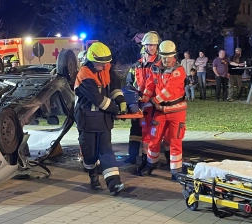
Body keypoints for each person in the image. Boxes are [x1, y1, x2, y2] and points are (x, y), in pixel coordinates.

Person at [74, 42, 127, 195]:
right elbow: (98, 100)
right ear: (91, 60)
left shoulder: (106, 69)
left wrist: (121, 101)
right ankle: (93, 176)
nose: (103, 66)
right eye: (100, 63)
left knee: (106, 151)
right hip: (87, 119)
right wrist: (117, 109)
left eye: (105, 63)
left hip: (103, 119)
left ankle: (114, 184)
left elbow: (115, 87)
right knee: (89, 153)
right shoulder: (85, 75)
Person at [138, 40, 187, 177]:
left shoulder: (178, 71)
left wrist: (153, 101)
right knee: (154, 139)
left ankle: (176, 171)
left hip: (176, 111)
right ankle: (150, 164)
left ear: (174, 55)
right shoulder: (155, 68)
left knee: (175, 141)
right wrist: (144, 100)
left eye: (169, 56)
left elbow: (168, 91)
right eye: (164, 56)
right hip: (160, 111)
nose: (166, 59)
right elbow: (150, 86)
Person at [125, 31, 161, 165]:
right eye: (149, 45)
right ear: (144, 47)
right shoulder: (136, 65)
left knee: (151, 131)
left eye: (154, 45)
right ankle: (132, 155)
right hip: (138, 101)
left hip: (152, 103)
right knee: (135, 129)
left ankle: (149, 159)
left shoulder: (158, 64)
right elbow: (129, 82)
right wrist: (132, 96)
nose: (152, 48)